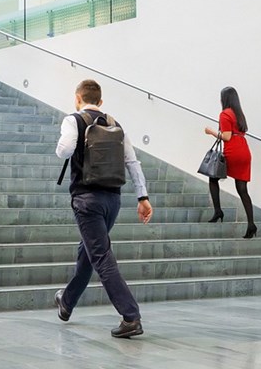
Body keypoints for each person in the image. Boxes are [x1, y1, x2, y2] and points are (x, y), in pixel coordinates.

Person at [54, 79, 153, 338]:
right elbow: (132, 161)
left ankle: (131, 316)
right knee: (88, 252)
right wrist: (142, 196)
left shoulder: (73, 120)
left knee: (101, 257)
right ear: (100, 101)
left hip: (87, 200)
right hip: (113, 200)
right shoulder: (115, 124)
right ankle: (66, 303)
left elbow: (63, 151)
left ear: (78, 98)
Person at [204, 86, 256, 239]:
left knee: (213, 177)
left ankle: (218, 211)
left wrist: (211, 131)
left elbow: (226, 136)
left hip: (233, 151)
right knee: (242, 189)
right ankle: (251, 225)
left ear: (224, 99)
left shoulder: (225, 113)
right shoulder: (239, 114)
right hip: (244, 151)